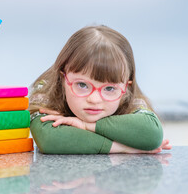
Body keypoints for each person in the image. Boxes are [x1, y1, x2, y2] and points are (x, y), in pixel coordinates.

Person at [29, 25, 171, 154]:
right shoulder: (46, 90)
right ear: (62, 79)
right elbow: (49, 139)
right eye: (82, 85)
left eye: (109, 88)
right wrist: (123, 148)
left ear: (126, 87)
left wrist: (86, 125)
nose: (94, 100)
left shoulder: (129, 97)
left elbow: (152, 134)